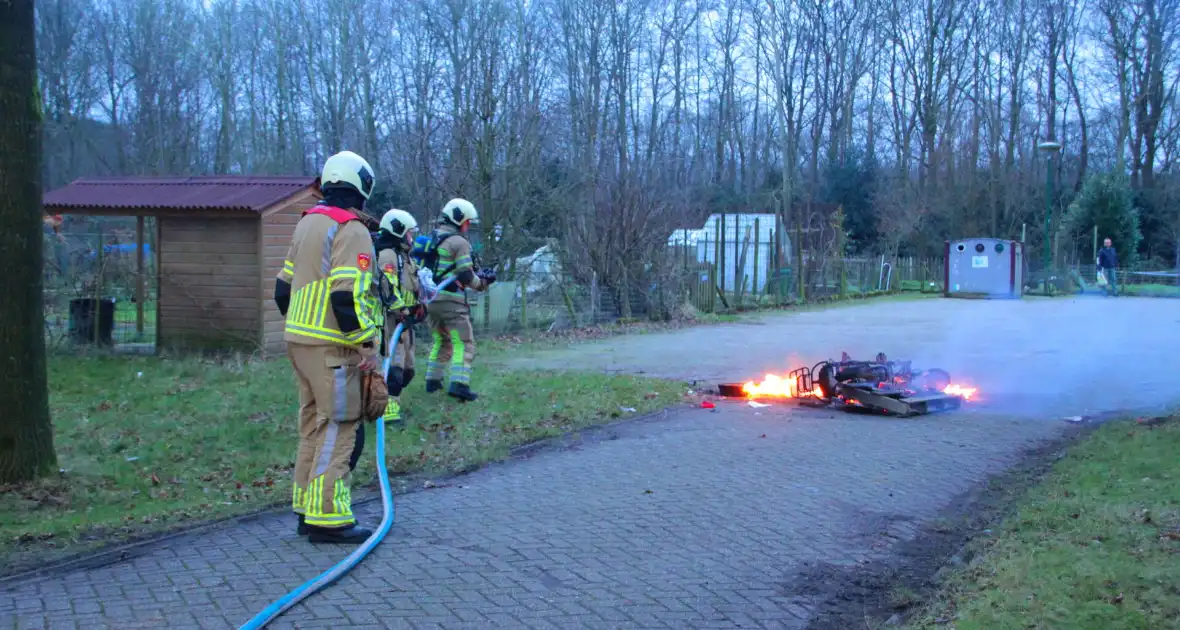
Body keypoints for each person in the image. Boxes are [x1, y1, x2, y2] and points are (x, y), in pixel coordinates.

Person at [272, 150, 381, 544]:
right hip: (332, 346)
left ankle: (305, 508)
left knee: (311, 426)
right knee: (339, 425)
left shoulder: (308, 223)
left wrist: (301, 326)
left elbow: (282, 289)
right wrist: (366, 345)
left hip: (298, 341)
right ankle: (328, 516)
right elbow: (345, 298)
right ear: (363, 186)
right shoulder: (351, 229)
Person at [419, 198, 496, 401]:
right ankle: (459, 384)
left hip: (431, 300)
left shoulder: (433, 237)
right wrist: (483, 282)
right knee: (464, 342)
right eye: (467, 222)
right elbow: (465, 274)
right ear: (459, 219)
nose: (467, 226)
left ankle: (432, 382)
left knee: (442, 340)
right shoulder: (459, 242)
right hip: (451, 300)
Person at [374, 209, 425, 424]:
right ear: (398, 232)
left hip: (405, 323)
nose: (411, 239)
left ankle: (383, 401)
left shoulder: (405, 257)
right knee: (394, 368)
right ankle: (388, 412)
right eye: (409, 234)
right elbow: (388, 289)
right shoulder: (388, 255)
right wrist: (402, 310)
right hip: (390, 321)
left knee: (408, 369)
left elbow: (410, 286)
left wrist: (419, 306)